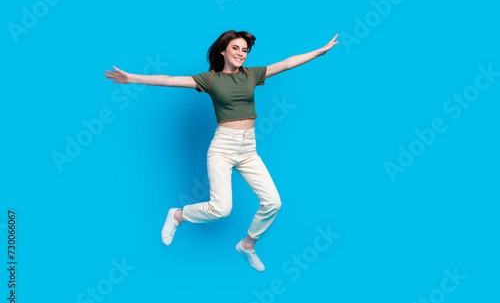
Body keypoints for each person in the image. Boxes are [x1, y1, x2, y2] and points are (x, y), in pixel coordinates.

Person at [104, 30, 339, 271]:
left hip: (249, 148)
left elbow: (287, 63)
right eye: (236, 48)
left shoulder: (252, 75)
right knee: (221, 209)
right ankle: (177, 215)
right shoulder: (210, 79)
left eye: (245, 50)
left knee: (273, 203)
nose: (241, 54)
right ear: (223, 51)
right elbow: (169, 79)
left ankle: (247, 246)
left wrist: (320, 51)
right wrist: (131, 77)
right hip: (223, 147)